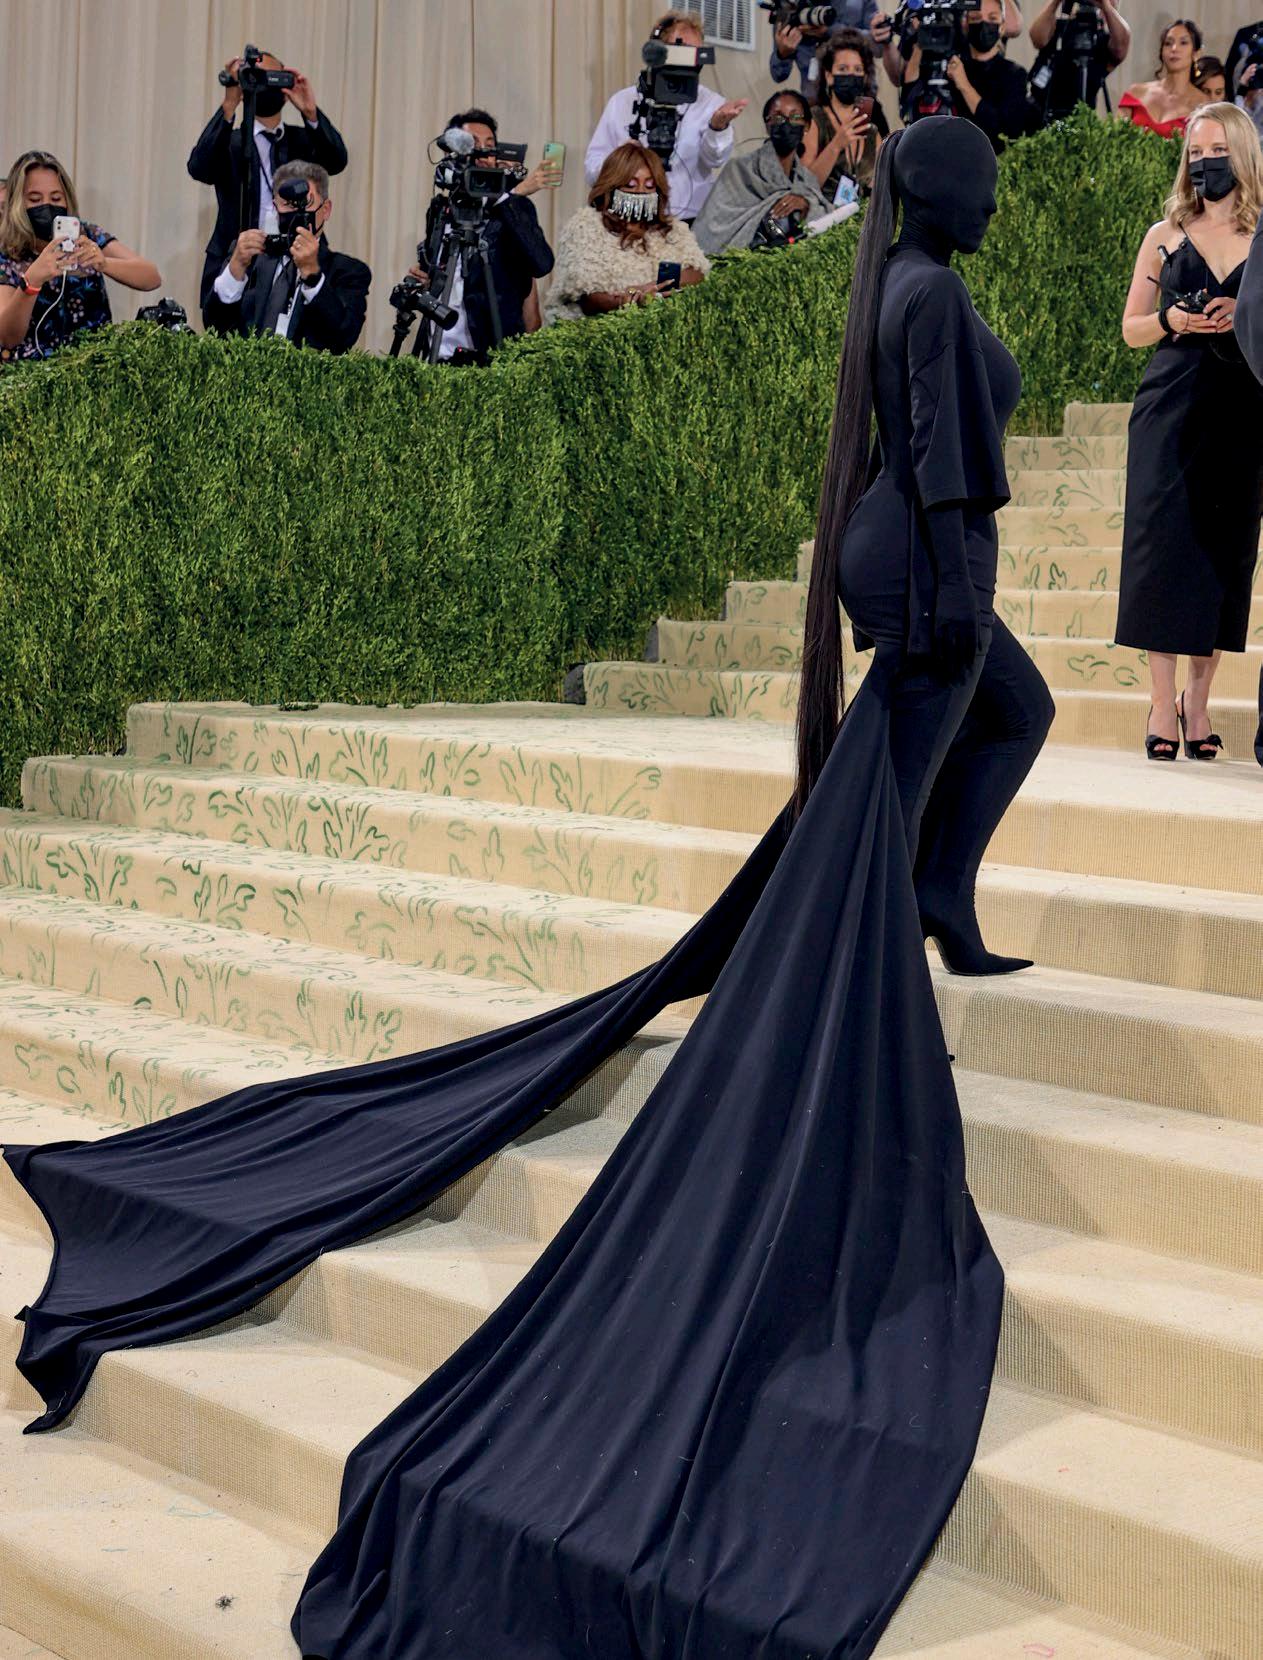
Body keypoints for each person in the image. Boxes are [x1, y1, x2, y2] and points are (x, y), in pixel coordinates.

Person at [3, 112, 1034, 1660]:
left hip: (888, 561)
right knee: (884, 812)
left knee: (972, 747)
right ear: (945, 190)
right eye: (980, 173)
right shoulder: (930, 291)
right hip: (931, 575)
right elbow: (945, 470)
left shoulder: (886, 278)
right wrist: (951, 603)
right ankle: (877, 973)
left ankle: (927, 910)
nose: (992, 187)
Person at [1115, 103, 1263, 762]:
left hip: (1242, 408)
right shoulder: (1164, 234)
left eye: (1217, 151)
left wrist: (1244, 313)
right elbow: (1131, 328)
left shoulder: (1262, 236)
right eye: (1195, 152)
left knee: (1223, 554)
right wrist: (1172, 320)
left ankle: (1197, 704)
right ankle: (1159, 702)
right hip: (1169, 408)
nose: (1205, 163)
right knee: (1160, 552)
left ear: (1242, 155)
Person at [188, 49, 348, 309]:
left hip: (297, 255)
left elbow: (337, 161)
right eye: (256, 76)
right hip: (237, 256)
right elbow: (199, 168)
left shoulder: (302, 141)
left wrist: (310, 112)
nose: (263, 83)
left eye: (272, 77)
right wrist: (229, 104)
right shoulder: (230, 143)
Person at [409, 109, 556, 365]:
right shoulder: (440, 209)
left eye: (489, 147)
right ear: (452, 152)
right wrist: (428, 280)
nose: (482, 155)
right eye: (472, 145)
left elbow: (542, 263)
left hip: (489, 357)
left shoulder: (514, 207)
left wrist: (510, 198)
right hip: (438, 354)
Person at [585, 10, 748, 223]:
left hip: (689, 219)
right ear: (657, 51)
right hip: (629, 219)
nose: (689, 60)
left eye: (696, 52)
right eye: (682, 50)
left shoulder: (711, 103)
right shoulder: (622, 102)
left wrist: (718, 128)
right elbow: (592, 168)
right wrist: (620, 162)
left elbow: (715, 159)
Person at [0, 149, 160, 364]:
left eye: (56, 197)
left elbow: (152, 278)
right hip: (35, 373)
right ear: (17, 203)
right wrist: (31, 283)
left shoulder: (87, 235)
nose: (47, 205)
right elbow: (8, 338)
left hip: (95, 367)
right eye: (35, 199)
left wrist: (104, 263)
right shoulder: (8, 251)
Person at [202, 161, 369, 353]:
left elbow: (343, 338)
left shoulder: (348, 271)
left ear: (325, 210)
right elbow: (214, 326)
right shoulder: (252, 257)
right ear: (275, 208)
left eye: (305, 203)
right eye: (287, 204)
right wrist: (235, 270)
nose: (296, 212)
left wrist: (313, 277)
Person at [547, 142, 708, 322]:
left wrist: (653, 287)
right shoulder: (586, 225)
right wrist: (627, 300)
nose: (641, 192)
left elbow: (697, 271)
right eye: (631, 185)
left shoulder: (671, 228)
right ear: (612, 186)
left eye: (649, 185)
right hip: (598, 328)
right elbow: (587, 299)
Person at [694, 92, 832, 254]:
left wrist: (806, 205)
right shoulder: (739, 170)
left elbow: (828, 218)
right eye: (778, 118)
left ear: (807, 126)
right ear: (767, 125)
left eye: (795, 117)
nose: (787, 124)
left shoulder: (806, 180)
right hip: (741, 264)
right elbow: (710, 231)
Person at [898, 0, 1039, 148]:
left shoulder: (1014, 74)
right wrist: (922, 39)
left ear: (1002, 26)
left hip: (986, 157)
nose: (983, 23)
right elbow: (909, 97)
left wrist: (964, 85)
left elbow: (1004, 132)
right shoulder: (952, 65)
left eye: (992, 18)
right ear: (965, 24)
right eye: (976, 18)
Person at [801, 29, 889, 202]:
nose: (851, 75)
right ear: (829, 76)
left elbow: (883, 185)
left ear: (865, 77)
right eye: (843, 68)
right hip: (822, 214)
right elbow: (804, 187)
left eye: (858, 69)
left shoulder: (871, 130)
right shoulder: (814, 120)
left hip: (862, 216)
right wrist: (836, 145)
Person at [1026, 0, 1130, 124]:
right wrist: (1055, 2)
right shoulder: (1058, 28)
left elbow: (1121, 48)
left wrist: (1105, 6)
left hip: (1079, 121)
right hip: (1038, 115)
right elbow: (1037, 39)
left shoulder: (1104, 42)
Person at [1119, 19, 1207, 138]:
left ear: (1196, 53)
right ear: (1161, 52)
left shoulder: (1203, 106)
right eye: (1168, 43)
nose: (1174, 48)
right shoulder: (1136, 93)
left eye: (1183, 42)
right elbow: (1114, 138)